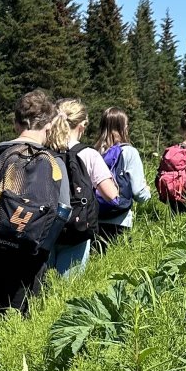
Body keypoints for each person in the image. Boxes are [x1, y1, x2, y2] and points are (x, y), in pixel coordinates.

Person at [0, 90, 71, 363]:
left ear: (15, 123)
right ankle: (17, 367)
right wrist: (43, 249)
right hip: (32, 252)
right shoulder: (55, 163)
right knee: (24, 307)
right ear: (48, 126)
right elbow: (63, 211)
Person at [52, 98, 121, 276]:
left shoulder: (45, 151)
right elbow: (111, 195)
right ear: (82, 125)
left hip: (45, 226)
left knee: (42, 287)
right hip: (76, 228)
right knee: (67, 289)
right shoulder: (88, 154)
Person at [93, 107, 151, 251]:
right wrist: (147, 193)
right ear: (124, 127)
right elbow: (139, 193)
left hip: (96, 220)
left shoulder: (93, 153)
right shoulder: (129, 152)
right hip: (120, 220)